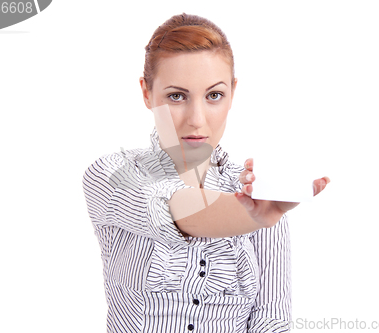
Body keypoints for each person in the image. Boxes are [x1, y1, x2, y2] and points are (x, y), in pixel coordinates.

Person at [82, 13, 330, 333]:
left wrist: (262, 212)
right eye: (176, 96)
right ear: (147, 93)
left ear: (232, 93)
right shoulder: (111, 175)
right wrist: (252, 215)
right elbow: (170, 210)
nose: (197, 119)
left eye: (214, 95)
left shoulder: (260, 191)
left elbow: (272, 318)